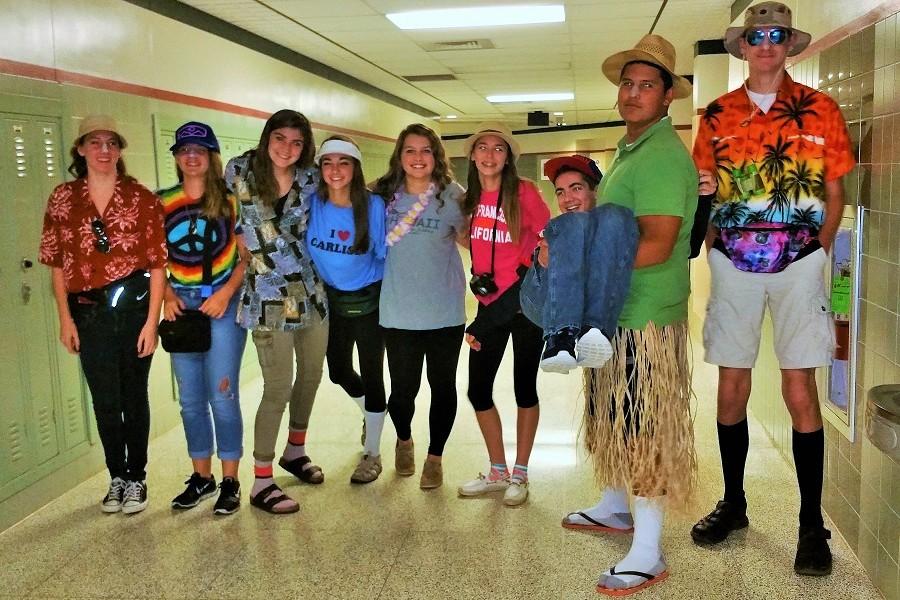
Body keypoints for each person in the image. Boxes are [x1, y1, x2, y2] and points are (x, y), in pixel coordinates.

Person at [691, 2, 854, 576]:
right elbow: (703, 192)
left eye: (776, 35)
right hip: (734, 262)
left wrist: (818, 249)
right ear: (741, 46)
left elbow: (835, 194)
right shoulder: (715, 115)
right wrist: (713, 243)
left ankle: (812, 525)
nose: (766, 44)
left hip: (800, 262)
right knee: (731, 384)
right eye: (755, 35)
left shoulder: (820, 109)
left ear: (789, 43)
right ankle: (734, 504)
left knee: (799, 388)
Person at [558, 36, 699, 596]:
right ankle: (616, 507)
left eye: (648, 85)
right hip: (615, 313)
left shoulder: (663, 156)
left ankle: (648, 550)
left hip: (645, 318)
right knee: (614, 417)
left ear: (667, 97)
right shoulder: (628, 151)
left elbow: (660, 244)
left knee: (645, 429)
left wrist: (582, 260)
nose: (634, 93)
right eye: (628, 83)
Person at [39, 115, 167, 514]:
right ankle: (117, 475)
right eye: (95, 143)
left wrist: (152, 322)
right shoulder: (63, 199)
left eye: (112, 143)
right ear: (80, 149)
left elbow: (158, 264)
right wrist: (65, 319)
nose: (104, 150)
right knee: (105, 398)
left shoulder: (142, 198)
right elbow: (57, 264)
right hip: (89, 314)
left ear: (120, 150)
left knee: (133, 395)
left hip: (132, 313)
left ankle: (138, 478)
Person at [225, 109, 329, 515]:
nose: (287, 148)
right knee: (277, 386)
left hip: (311, 294)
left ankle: (295, 451)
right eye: (280, 138)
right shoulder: (240, 170)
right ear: (268, 137)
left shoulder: (311, 178)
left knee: (311, 376)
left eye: (297, 142)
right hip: (268, 297)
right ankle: (262, 480)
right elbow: (226, 217)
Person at [457, 121, 551, 507]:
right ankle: (497, 471)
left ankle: (521, 472)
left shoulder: (524, 192)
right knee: (478, 390)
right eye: (483, 148)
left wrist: (532, 271)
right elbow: (468, 237)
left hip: (523, 305)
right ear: (473, 156)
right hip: (488, 304)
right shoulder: (470, 199)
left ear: (508, 157)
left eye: (498, 149)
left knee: (523, 388)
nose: (490, 155)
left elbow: (549, 238)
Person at [371, 124, 467, 489]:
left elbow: (472, 240)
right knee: (403, 390)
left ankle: (435, 458)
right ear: (400, 156)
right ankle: (404, 438)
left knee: (443, 386)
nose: (417, 158)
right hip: (397, 311)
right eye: (410, 150)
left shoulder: (452, 196)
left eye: (426, 150)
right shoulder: (381, 196)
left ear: (436, 156)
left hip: (445, 311)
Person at [159, 121, 247, 515]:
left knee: (223, 396)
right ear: (177, 158)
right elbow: (154, 260)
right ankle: (202, 477)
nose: (191, 156)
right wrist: (167, 294)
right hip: (182, 308)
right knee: (191, 402)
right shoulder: (161, 202)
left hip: (222, 305)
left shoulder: (231, 201)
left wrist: (227, 293)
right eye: (184, 150)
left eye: (200, 149)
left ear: (212, 157)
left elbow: (247, 258)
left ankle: (230, 479)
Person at [306, 135, 388, 484]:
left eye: (344, 163)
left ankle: (373, 450)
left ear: (355, 168)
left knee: (372, 374)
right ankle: (372, 413)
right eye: (328, 163)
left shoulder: (373, 206)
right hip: (331, 302)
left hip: (370, 300)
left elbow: (385, 255)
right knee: (338, 371)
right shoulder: (311, 203)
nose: (335, 170)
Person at [518, 155, 639, 373]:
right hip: (540, 301)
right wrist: (544, 258)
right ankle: (558, 340)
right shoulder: (562, 226)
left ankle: (591, 330)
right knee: (572, 223)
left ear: (594, 191)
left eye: (576, 188)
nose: (567, 198)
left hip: (583, 308)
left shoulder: (608, 224)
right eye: (560, 192)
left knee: (615, 214)